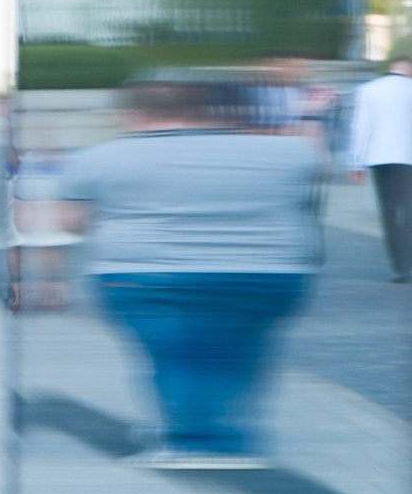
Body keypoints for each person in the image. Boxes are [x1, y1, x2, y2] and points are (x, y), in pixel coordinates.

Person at [61, 79, 324, 468]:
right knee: (243, 349)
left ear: (134, 113)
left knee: (174, 354)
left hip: (146, 276)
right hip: (269, 273)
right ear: (212, 110)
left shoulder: (100, 158)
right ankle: (227, 430)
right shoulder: (288, 152)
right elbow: (313, 172)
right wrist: (309, 115)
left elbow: (72, 223)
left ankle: (196, 439)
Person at [350, 54, 412, 283]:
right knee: (409, 210)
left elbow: (360, 127)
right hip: (409, 160)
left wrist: (356, 163)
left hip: (381, 159)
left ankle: (399, 267)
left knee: (388, 212)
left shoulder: (369, 89)